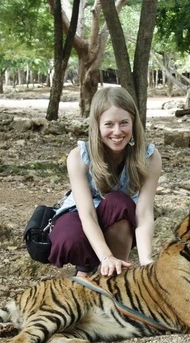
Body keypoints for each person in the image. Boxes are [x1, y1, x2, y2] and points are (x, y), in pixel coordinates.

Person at [48, 87, 162, 277]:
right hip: (81, 216)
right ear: (97, 125)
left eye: (124, 123)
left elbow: (143, 213)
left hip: (120, 220)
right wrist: (105, 256)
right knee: (69, 238)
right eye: (109, 124)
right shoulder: (79, 157)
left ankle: (116, 273)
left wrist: (145, 260)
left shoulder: (149, 157)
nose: (117, 132)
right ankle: (86, 271)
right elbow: (88, 215)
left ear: (134, 123)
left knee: (120, 202)